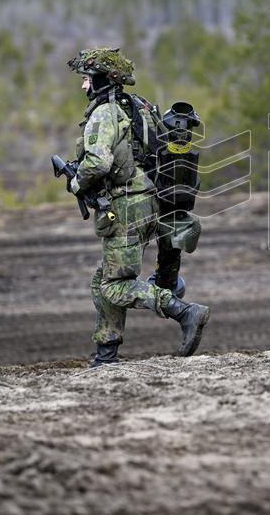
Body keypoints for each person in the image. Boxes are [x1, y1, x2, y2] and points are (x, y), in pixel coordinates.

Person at [67, 47, 210, 366]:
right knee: (103, 278)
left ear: (102, 80)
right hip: (154, 202)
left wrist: (76, 182)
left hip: (127, 208)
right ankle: (106, 356)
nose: (83, 86)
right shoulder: (142, 107)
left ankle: (184, 312)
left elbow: (98, 162)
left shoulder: (104, 113)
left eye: (86, 79)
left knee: (112, 286)